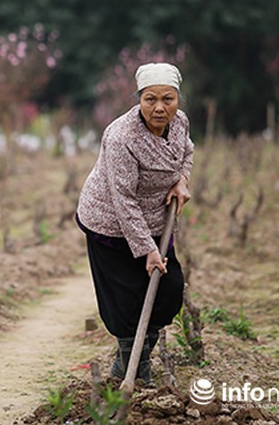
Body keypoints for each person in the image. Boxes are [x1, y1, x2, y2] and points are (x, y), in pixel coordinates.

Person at [76, 62, 193, 384]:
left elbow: (187, 152)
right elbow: (123, 199)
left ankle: (129, 363)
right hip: (110, 222)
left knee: (169, 290)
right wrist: (147, 250)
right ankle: (135, 373)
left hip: (155, 218)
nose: (159, 108)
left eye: (167, 99)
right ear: (139, 99)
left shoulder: (180, 122)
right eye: (150, 99)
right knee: (125, 300)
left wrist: (182, 180)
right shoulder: (121, 137)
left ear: (177, 99)